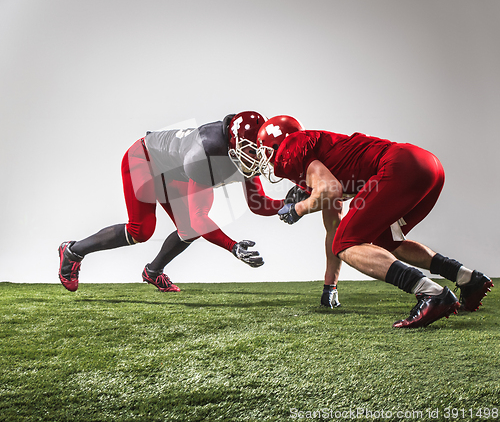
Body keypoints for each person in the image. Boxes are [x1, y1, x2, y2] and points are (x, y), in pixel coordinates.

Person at [252, 115, 493, 328]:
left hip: (399, 167)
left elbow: (330, 191)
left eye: (262, 150)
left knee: (347, 243)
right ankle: (467, 278)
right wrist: (330, 285)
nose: (261, 159)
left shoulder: (295, 152)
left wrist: (298, 208)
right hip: (426, 165)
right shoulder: (323, 161)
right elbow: (334, 230)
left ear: (278, 145)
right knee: (385, 242)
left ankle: (431, 293)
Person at [58, 111, 285, 293]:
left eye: (258, 151)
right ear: (234, 146)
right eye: (250, 151)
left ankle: (153, 271)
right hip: (144, 158)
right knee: (141, 230)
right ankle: (73, 251)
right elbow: (199, 218)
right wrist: (233, 247)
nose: (255, 158)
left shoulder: (243, 151)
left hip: (173, 170)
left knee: (188, 230)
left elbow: (258, 204)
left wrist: (289, 204)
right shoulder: (205, 152)